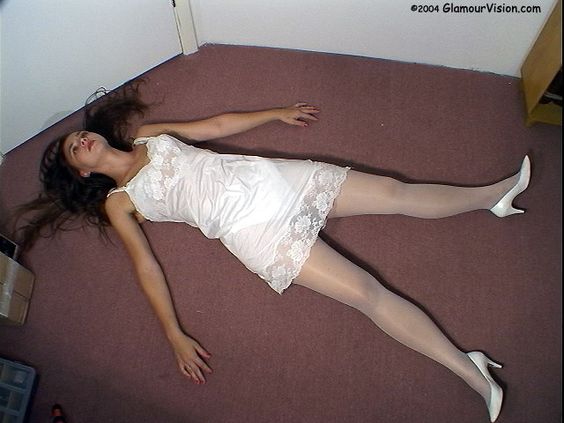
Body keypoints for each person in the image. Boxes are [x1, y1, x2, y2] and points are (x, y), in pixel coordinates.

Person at [16, 82, 531, 423]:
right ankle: (469, 369)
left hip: (272, 179)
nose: (80, 140)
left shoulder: (148, 136)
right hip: (255, 233)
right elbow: (146, 266)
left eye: (78, 135)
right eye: (73, 149)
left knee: (395, 192)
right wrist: (173, 334)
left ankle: (493, 195)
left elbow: (213, 127)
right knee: (367, 295)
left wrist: (275, 113)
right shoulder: (120, 203)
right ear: (82, 172)